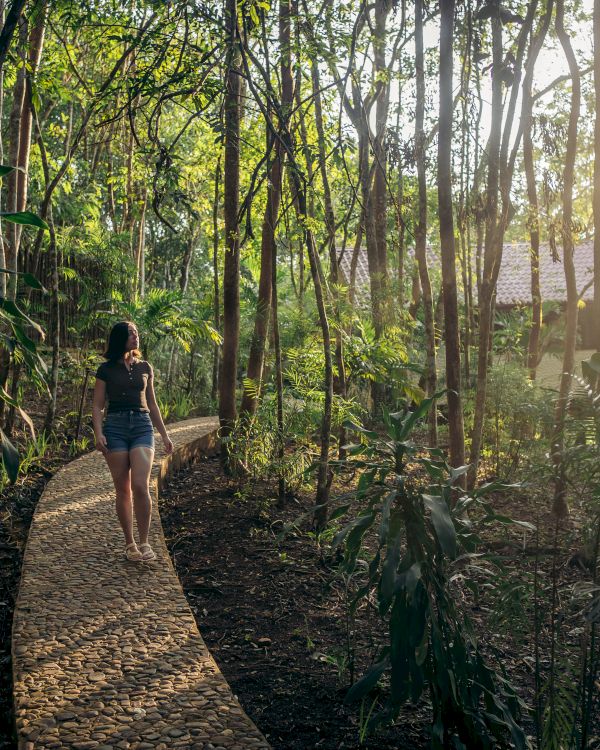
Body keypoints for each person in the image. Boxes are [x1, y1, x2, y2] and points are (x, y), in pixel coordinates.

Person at [92, 321, 173, 562]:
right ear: (119, 339)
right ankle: (130, 545)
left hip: (141, 426)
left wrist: (165, 434)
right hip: (115, 427)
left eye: (136, 332)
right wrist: (99, 433)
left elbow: (153, 404)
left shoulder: (145, 367)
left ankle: (145, 542)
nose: (135, 336)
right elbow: (97, 405)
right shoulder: (105, 370)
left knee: (140, 485)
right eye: (130, 334)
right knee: (123, 489)